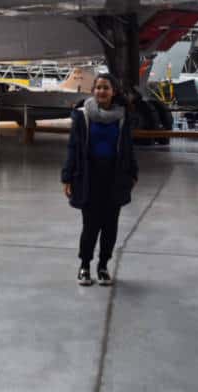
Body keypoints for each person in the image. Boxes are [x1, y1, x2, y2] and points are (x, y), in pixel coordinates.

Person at [61, 72, 138, 286]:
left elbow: (128, 149)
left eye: (106, 88)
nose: (101, 91)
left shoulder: (122, 117)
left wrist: (133, 173)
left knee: (110, 226)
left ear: (113, 92)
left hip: (114, 177)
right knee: (90, 225)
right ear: (93, 91)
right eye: (98, 88)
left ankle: (103, 266)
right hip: (89, 176)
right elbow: (73, 148)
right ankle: (84, 265)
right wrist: (67, 177)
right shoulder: (83, 115)